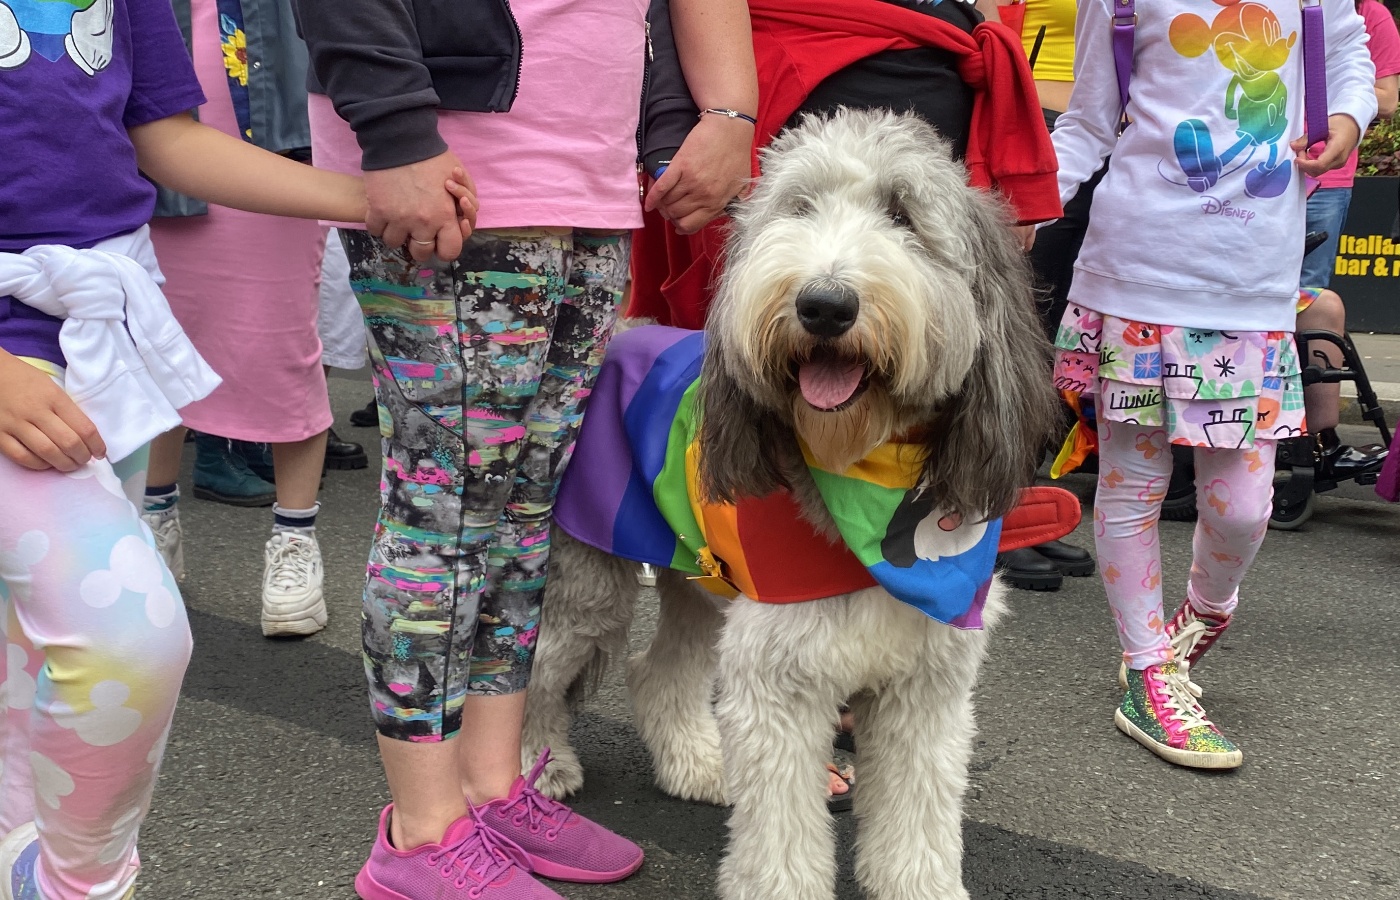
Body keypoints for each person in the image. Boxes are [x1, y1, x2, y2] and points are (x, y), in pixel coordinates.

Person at [293, 0, 756, 896]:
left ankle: (492, 785)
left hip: (589, 175)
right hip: (451, 163)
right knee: (446, 510)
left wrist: (716, 116)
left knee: (525, 510)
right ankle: (421, 839)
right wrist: (392, 129)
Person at [0, 0, 380, 896]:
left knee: (29, 658)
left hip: (101, 337)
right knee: (129, 641)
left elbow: (166, 137)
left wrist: (367, 198)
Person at [1049, 0, 1376, 768]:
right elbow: (1091, 120)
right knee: (1133, 486)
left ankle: (1201, 615)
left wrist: (1349, 125)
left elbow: (1352, 61)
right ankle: (1147, 669)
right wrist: (1026, 204)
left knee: (1243, 510)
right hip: (1133, 276)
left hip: (1250, 289)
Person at [139, 0, 341, 638]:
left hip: (278, 155)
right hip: (150, 150)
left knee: (280, 346)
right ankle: (154, 520)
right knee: (154, 347)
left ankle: (295, 538)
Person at [986, 0, 1099, 591]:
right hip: (1039, 130)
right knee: (1018, 331)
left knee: (1057, 343)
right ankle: (990, 512)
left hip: (1112, 144)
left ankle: (1026, 502)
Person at [1294, 0, 1399, 475]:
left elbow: (1386, 97)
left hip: (1325, 176)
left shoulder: (1369, 13)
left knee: (1308, 302)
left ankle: (1310, 441)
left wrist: (1330, 99)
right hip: (1253, 167)